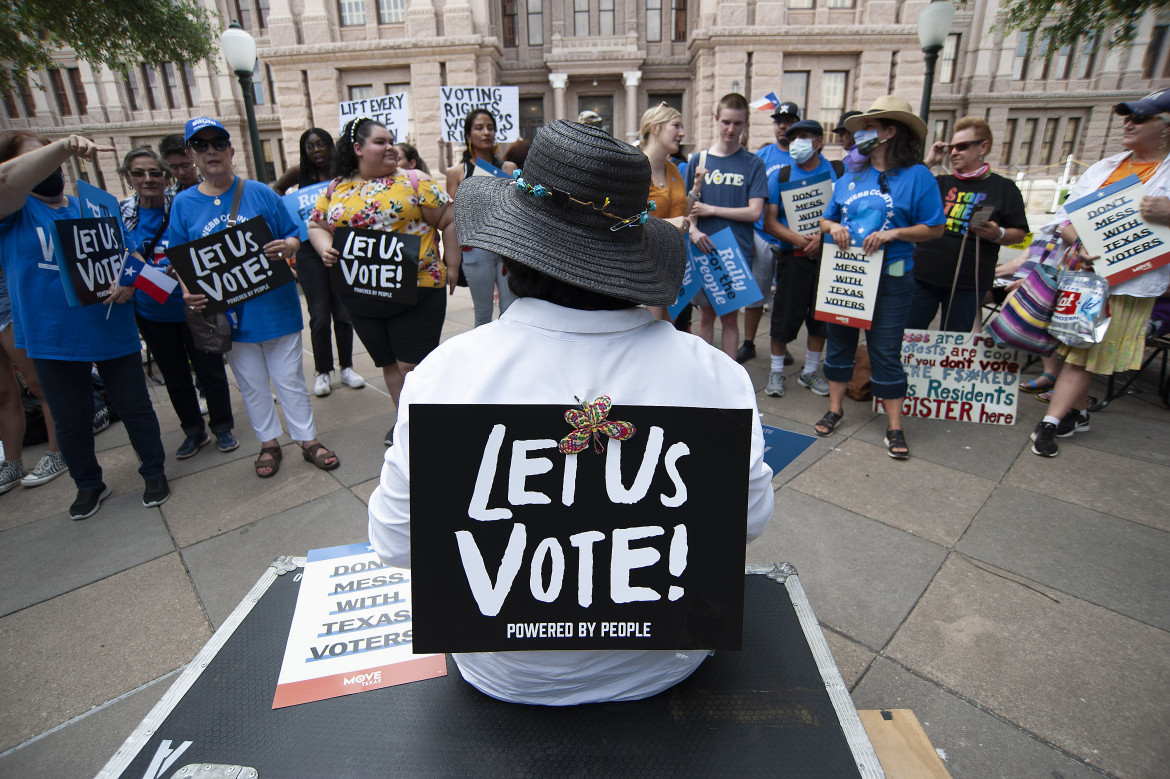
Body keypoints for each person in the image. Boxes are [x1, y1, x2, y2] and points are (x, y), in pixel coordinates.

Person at [367, 119, 774, 705]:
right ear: (632, 264)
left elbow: (395, 543)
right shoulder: (717, 378)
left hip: (501, 671)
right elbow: (748, 523)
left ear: (508, 261)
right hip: (665, 662)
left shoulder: (443, 376)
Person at [0, 131, 169, 518]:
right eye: (36, 156)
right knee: (71, 417)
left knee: (135, 407)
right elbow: (8, 182)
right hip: (52, 336)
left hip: (110, 330)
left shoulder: (95, 207)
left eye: (50, 154)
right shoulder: (12, 212)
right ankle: (88, 483)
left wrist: (129, 280)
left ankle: (154, 471)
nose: (48, 163)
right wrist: (59, 146)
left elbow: (133, 257)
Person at [172, 117, 339, 478]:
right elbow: (180, 257)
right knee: (250, 383)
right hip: (229, 317)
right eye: (201, 146)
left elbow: (295, 232)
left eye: (218, 143)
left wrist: (289, 245)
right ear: (191, 155)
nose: (211, 151)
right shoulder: (183, 205)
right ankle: (269, 443)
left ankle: (307, 440)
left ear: (231, 151)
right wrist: (188, 291)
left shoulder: (260, 192)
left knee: (290, 379)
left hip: (275, 307)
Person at [1030, 89, 1170, 457]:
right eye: (1128, 116)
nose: (1129, 123)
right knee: (1078, 347)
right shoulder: (1102, 168)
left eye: (1141, 118)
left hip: (1132, 284)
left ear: (1166, 127)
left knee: (1081, 352)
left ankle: (1049, 422)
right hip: (1084, 277)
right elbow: (1064, 220)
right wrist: (1082, 245)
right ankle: (1076, 412)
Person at [309, 118, 457, 447]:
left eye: (392, 140)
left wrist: (453, 263)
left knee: (411, 364)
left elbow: (448, 217)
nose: (390, 146)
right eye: (380, 141)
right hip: (360, 292)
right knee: (389, 363)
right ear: (358, 149)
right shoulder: (336, 188)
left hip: (418, 291)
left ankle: (428, 424)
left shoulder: (416, 181)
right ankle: (406, 424)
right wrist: (325, 249)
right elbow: (316, 225)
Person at [816, 96, 945, 459]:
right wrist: (834, 227)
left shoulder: (917, 176)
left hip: (891, 280)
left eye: (871, 128)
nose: (862, 135)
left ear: (890, 132)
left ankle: (894, 426)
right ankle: (835, 408)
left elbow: (935, 227)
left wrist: (894, 234)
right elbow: (825, 220)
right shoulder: (851, 175)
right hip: (845, 276)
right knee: (839, 340)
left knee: (885, 351)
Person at [117, 147, 239, 459]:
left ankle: (222, 427)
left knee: (210, 368)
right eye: (139, 173)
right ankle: (193, 431)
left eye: (155, 173)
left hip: (196, 304)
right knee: (175, 376)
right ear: (128, 179)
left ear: (166, 176)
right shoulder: (120, 215)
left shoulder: (184, 205)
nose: (148, 179)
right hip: (152, 310)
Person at [908, 117, 1028, 332]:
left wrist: (997, 233)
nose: (954, 152)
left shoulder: (1004, 188)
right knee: (908, 335)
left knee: (954, 342)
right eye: (952, 147)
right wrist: (929, 161)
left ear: (983, 146)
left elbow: (1019, 234)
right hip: (923, 276)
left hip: (968, 283)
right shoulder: (939, 182)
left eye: (962, 146)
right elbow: (904, 192)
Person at [274, 128, 364, 397]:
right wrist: (288, 212)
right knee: (320, 315)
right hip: (308, 252)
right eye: (310, 146)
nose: (316, 150)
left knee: (343, 313)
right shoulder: (296, 174)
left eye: (320, 144)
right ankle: (323, 371)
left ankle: (347, 367)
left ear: (330, 146)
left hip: (341, 247)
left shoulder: (344, 171)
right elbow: (275, 191)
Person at [761, 119, 843, 398]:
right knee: (784, 316)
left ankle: (809, 371)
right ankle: (776, 370)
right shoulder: (781, 176)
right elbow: (769, 222)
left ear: (819, 141)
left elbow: (844, 215)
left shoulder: (837, 172)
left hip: (828, 258)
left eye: (805, 137)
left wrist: (822, 240)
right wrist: (802, 241)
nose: (797, 143)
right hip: (792, 258)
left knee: (821, 317)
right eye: (793, 137)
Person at [685, 93, 768, 359]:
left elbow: (755, 212)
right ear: (717, 119)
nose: (731, 129)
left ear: (745, 123)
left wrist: (712, 210)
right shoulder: (698, 160)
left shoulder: (753, 164)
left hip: (736, 252)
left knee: (730, 318)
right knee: (706, 315)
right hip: (703, 248)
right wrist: (694, 231)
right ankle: (707, 378)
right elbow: (685, 210)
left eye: (738, 123)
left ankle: (730, 380)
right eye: (727, 122)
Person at [740, 100, 801, 363]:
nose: (783, 126)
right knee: (755, 294)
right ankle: (749, 342)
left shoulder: (803, 158)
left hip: (794, 240)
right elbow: (747, 197)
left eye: (788, 121)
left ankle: (780, 344)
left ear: (797, 123)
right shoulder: (762, 158)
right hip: (762, 236)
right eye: (778, 122)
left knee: (785, 299)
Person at [0, 264, 66, 492]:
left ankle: (60, 452)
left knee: (38, 383)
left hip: (7, 289)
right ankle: (12, 464)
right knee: (3, 393)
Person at [447, 109, 515, 326]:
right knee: (483, 314)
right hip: (476, 250)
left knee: (510, 312)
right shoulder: (457, 172)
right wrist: (453, 263)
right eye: (479, 128)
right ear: (468, 136)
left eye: (490, 127)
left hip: (506, 249)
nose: (486, 132)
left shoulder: (509, 168)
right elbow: (453, 218)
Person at [639, 102, 692, 320]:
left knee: (669, 331)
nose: (682, 133)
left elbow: (682, 215)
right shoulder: (635, 167)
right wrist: (668, 224)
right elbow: (622, 221)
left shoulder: (674, 170)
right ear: (655, 128)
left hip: (671, 264)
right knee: (651, 336)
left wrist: (696, 191)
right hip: (643, 268)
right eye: (676, 126)